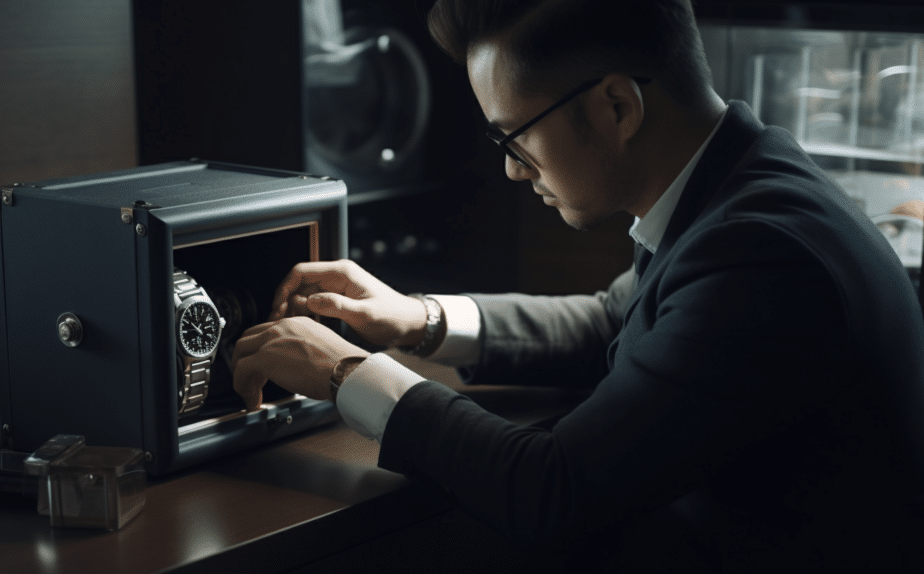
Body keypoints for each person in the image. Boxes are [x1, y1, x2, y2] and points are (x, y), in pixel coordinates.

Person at [231, 0, 924, 570]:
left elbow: (552, 490)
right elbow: (614, 322)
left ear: (616, 106)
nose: (511, 170)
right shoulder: (744, 183)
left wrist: (344, 370)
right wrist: (418, 318)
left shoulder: (759, 257)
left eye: (514, 138)